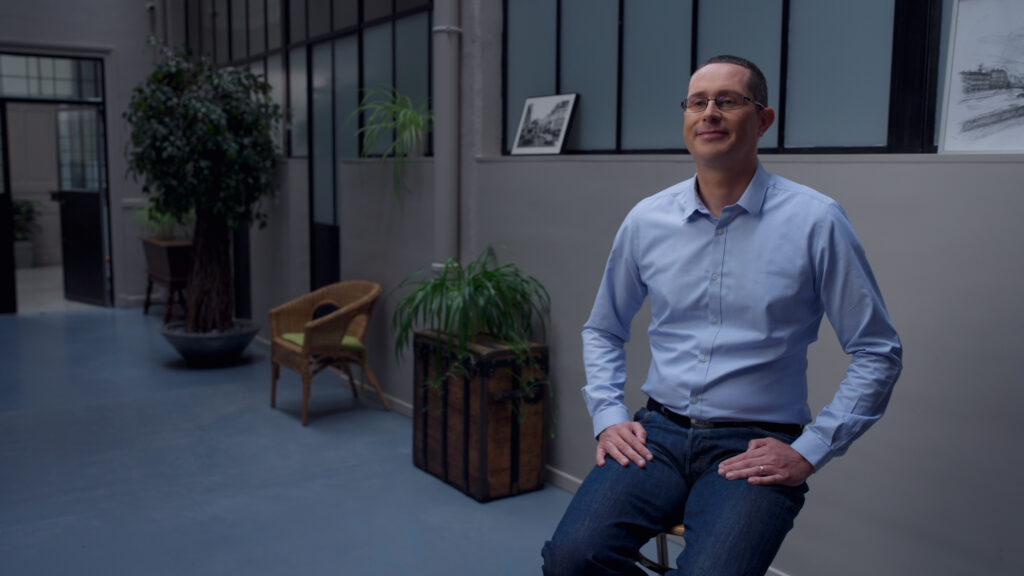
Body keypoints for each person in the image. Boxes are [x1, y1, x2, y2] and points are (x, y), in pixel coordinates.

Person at [541, 55, 903, 575]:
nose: (709, 112)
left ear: (763, 119)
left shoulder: (815, 221)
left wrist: (811, 449)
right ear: (686, 117)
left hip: (755, 444)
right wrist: (608, 417)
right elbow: (602, 328)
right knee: (570, 560)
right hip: (657, 436)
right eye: (697, 102)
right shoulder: (647, 220)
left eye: (728, 101)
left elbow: (877, 351)